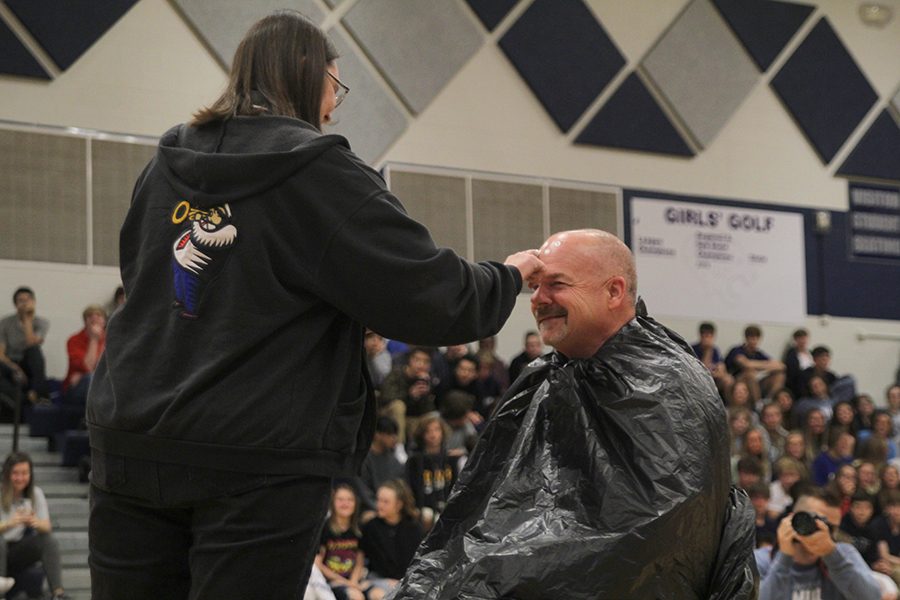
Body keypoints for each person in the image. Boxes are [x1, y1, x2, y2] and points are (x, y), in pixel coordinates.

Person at [84, 11, 544, 599]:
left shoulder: (165, 165)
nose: (336, 104)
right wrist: (508, 275)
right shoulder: (319, 171)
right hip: (254, 459)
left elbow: (147, 281)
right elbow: (433, 296)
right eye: (336, 85)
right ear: (309, 80)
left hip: (130, 437)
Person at [392, 229, 756, 598]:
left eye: (557, 284)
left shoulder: (664, 381)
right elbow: (484, 505)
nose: (538, 300)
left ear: (614, 291)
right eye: (534, 287)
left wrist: (487, 576)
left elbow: (640, 540)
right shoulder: (545, 376)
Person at [761, 489, 881, 600]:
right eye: (819, 523)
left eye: (831, 528)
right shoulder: (763, 559)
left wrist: (832, 556)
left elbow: (872, 597)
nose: (825, 532)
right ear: (794, 519)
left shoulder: (844, 553)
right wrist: (784, 558)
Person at [0, 453, 68, 599]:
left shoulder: (36, 494)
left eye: (24, 473)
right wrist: (10, 523)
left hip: (17, 550)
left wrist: (34, 522)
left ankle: (58, 593)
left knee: (48, 540)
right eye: (15, 473)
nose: (20, 478)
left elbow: (47, 526)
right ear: (7, 474)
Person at [314, 484, 383, 600]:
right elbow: (318, 564)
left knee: (380, 595)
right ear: (332, 502)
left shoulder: (359, 529)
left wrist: (353, 581)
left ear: (356, 503)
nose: (345, 503)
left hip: (354, 580)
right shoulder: (324, 528)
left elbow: (359, 561)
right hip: (331, 582)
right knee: (356, 597)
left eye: (350, 500)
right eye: (340, 500)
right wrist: (346, 582)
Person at [359, 480, 423, 585]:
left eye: (385, 502)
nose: (379, 505)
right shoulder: (370, 526)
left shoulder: (413, 528)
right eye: (378, 500)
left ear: (399, 504)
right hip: (378, 579)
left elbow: (416, 562)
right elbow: (363, 559)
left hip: (407, 581)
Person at [0, 287, 50, 405]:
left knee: (34, 351)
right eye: (21, 300)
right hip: (10, 362)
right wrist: (14, 368)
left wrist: (27, 319)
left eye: (28, 300)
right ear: (16, 304)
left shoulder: (42, 323)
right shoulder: (5, 323)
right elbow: (1, 353)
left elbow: (31, 343)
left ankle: (39, 394)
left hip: (29, 362)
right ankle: (25, 400)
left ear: (34, 302)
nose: (24, 303)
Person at [725, 325, 786, 401]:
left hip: (756, 381)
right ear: (746, 338)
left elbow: (781, 366)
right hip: (737, 381)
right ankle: (757, 404)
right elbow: (746, 364)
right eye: (752, 338)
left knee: (779, 375)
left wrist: (761, 366)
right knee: (749, 373)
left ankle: (769, 401)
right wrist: (765, 365)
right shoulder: (736, 350)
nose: (754, 341)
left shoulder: (758, 354)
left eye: (757, 338)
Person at [358, 417, 405, 513]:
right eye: (389, 434)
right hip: (369, 508)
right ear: (377, 435)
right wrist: (381, 508)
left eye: (395, 435)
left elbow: (400, 486)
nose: (394, 439)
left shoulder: (393, 459)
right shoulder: (363, 459)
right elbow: (363, 491)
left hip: (392, 507)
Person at [63, 305, 107, 406]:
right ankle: (93, 420)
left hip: (104, 385)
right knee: (90, 379)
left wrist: (83, 374)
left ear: (104, 321)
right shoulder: (74, 340)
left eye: (98, 315)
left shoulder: (111, 340)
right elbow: (88, 367)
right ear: (85, 321)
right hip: (77, 389)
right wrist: (94, 339)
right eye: (90, 315)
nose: (94, 317)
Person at [692, 321, 734, 399]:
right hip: (698, 380)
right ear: (701, 336)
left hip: (714, 380)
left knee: (728, 380)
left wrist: (715, 373)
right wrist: (708, 350)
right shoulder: (693, 349)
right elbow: (702, 371)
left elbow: (722, 371)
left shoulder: (715, 350)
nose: (708, 339)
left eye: (710, 336)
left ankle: (729, 406)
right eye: (706, 336)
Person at [783, 328, 814, 398]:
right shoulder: (792, 354)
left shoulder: (811, 353)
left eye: (804, 339)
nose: (803, 341)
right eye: (800, 339)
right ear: (795, 340)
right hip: (800, 378)